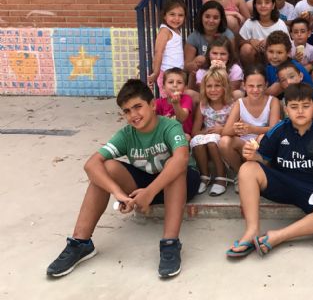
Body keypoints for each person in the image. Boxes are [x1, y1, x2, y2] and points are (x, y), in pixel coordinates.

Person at [46, 80, 200, 278]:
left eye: (137, 107)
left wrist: (149, 192)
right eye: (127, 111)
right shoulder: (126, 134)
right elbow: (91, 164)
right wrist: (119, 194)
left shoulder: (170, 126)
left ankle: (170, 243)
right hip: (144, 184)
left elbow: (181, 159)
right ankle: (80, 243)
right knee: (105, 168)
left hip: (181, 183)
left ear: (153, 105)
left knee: (174, 165)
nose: (133, 115)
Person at [226, 83, 313, 257]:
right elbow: (263, 160)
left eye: (306, 106)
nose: (300, 111)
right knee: (248, 168)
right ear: (286, 109)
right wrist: (253, 155)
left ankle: (278, 236)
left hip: (309, 189)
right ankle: (251, 231)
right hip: (282, 182)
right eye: (294, 107)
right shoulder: (279, 129)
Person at [219, 65, 281, 192]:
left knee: (262, 138)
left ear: (266, 85)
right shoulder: (240, 103)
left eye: (259, 86)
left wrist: (252, 129)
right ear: (244, 86)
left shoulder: (273, 101)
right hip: (244, 145)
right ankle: (240, 175)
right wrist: (237, 129)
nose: (255, 90)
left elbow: (275, 130)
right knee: (224, 142)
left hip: (263, 147)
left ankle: (262, 175)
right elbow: (225, 131)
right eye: (251, 86)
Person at [190, 67, 235, 196]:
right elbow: (195, 132)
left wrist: (222, 130)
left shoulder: (232, 105)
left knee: (211, 141)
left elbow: (235, 129)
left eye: (217, 86)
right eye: (209, 86)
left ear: (225, 87)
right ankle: (205, 176)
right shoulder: (203, 105)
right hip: (207, 135)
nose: (213, 90)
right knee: (197, 141)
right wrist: (205, 132)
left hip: (223, 137)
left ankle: (221, 177)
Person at [184, 1, 235, 88]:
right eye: (207, 16)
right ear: (201, 17)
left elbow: (232, 59)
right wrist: (195, 62)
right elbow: (186, 67)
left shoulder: (228, 35)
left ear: (221, 19)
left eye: (215, 18)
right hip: (203, 78)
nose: (211, 21)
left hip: (225, 78)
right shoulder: (193, 37)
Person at [147, 0, 187, 96]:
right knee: (168, 100)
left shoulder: (176, 30)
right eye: (172, 14)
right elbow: (158, 52)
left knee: (177, 99)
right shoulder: (165, 31)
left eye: (180, 15)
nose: (176, 18)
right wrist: (156, 73)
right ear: (165, 16)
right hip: (167, 74)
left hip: (177, 74)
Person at [238, 0, 289, 66]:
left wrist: (270, 42)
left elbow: (287, 45)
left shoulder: (280, 24)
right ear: (255, 6)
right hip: (255, 59)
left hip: (275, 59)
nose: (263, 5)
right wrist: (250, 41)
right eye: (259, 3)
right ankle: (250, 72)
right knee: (246, 48)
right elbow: (239, 42)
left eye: (267, 2)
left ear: (273, 5)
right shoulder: (250, 22)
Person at [263, 30, 313, 97]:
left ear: (288, 52)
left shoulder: (295, 68)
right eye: (271, 52)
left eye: (279, 52)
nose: (274, 56)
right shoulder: (269, 67)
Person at [154, 67, 194, 140]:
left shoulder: (186, 99)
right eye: (170, 82)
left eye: (179, 82)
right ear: (163, 87)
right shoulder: (159, 103)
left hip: (183, 134)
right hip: (165, 135)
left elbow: (182, 118)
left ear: (185, 87)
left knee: (186, 137)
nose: (175, 85)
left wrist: (176, 104)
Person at [290, 17, 313, 86]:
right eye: (296, 32)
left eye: (303, 31)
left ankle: (312, 89)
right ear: (292, 35)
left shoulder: (311, 48)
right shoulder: (289, 47)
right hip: (292, 72)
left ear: (309, 33)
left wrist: (310, 66)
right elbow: (285, 64)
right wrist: (294, 60)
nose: (299, 34)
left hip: (306, 72)